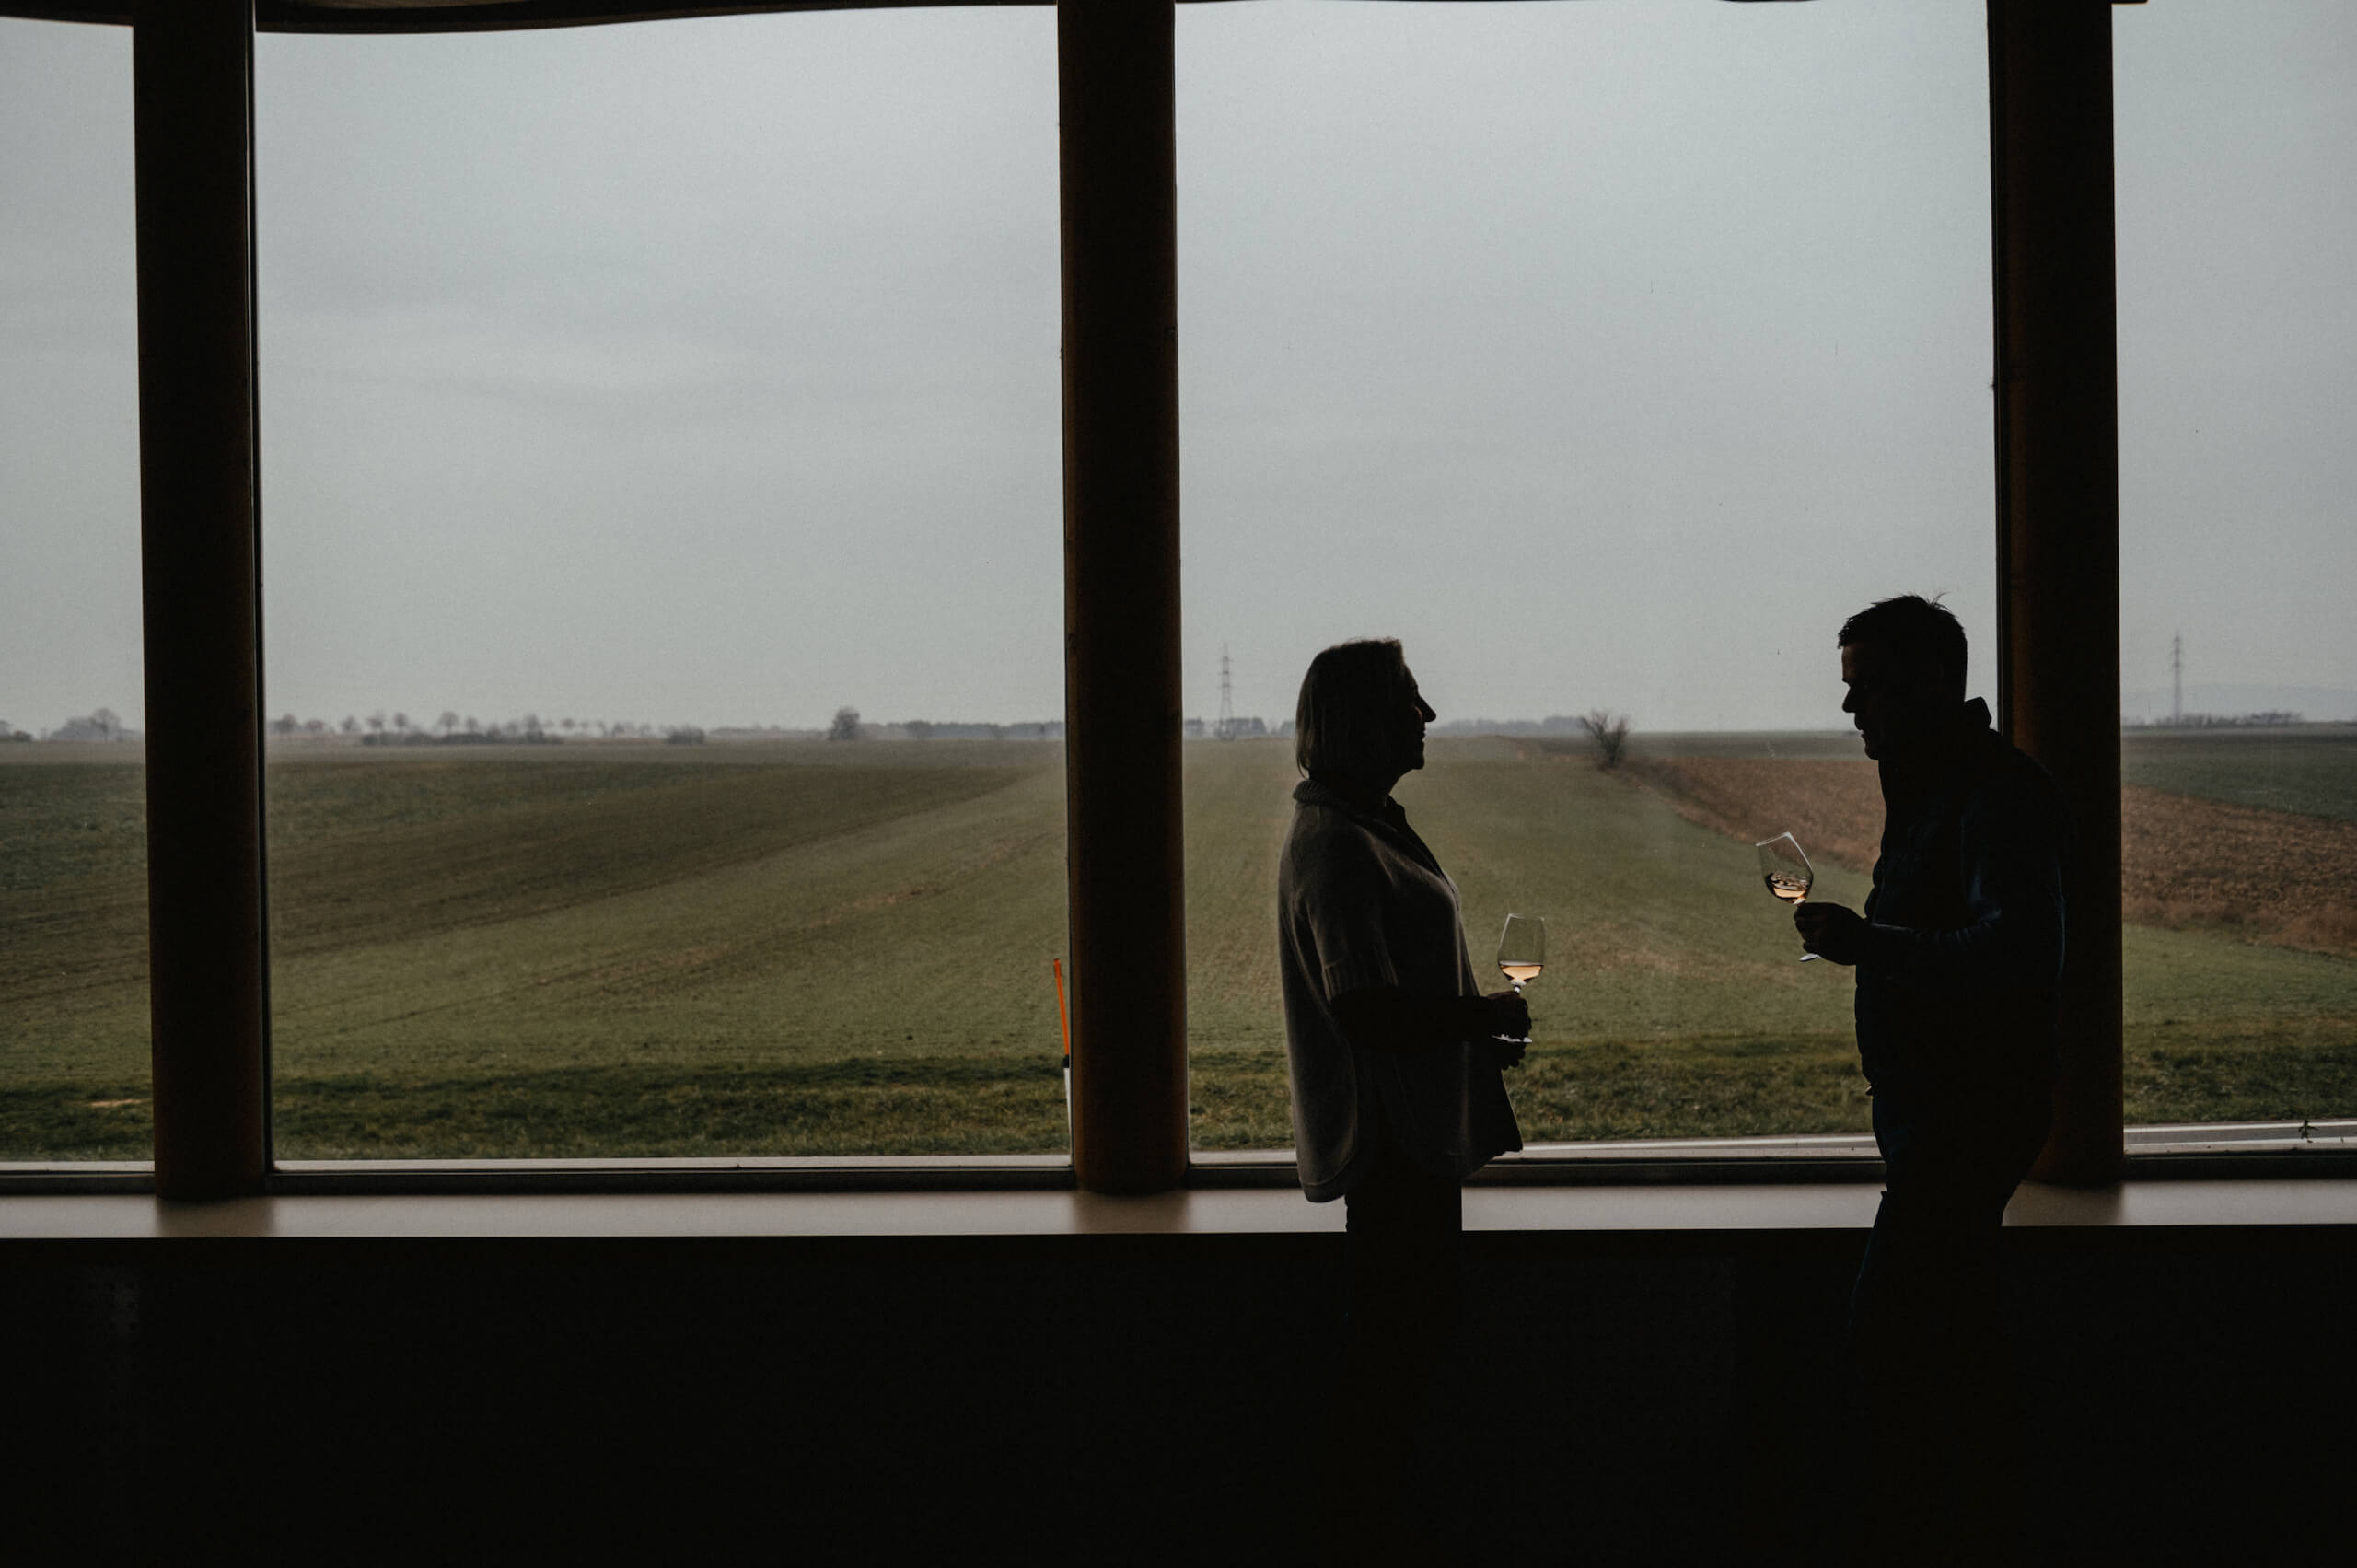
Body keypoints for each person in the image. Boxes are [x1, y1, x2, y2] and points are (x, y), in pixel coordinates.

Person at [1792, 594, 2070, 1561]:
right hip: (1927, 1115)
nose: (1850, 709)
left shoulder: (1994, 793)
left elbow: (2017, 947)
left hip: (1962, 1117)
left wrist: (1871, 943)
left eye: (1864, 686)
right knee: (1952, 1336)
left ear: (1923, 685)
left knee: (1889, 1339)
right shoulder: (1928, 779)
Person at [1274, 637, 1527, 1553]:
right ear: (1363, 719)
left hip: (1408, 1142)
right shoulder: (1338, 844)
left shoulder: (1363, 821)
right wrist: (1481, 1016)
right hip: (1396, 1154)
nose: (1427, 715)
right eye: (1410, 700)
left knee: (1397, 1354)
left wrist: (1469, 1036)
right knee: (1392, 1365)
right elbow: (1368, 1012)